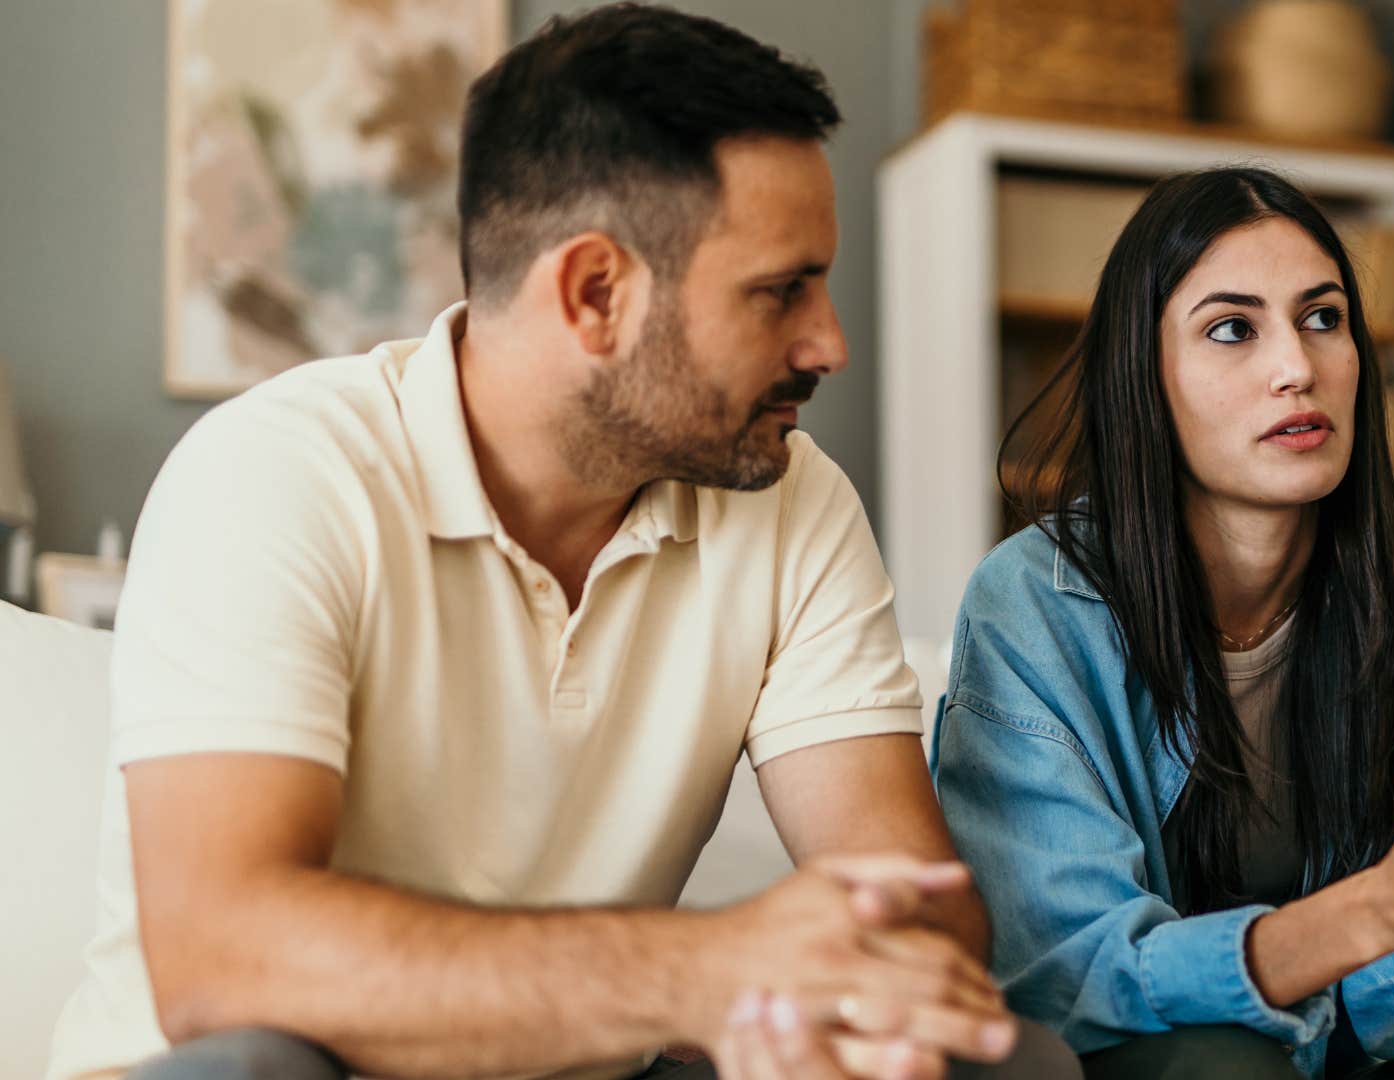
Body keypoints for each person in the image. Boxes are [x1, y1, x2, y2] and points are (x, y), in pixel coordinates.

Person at [45, 5, 1078, 1079]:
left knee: (1010, 1064)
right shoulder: (274, 474)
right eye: (781, 291)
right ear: (596, 294)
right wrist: (699, 971)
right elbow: (226, 959)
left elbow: (918, 917)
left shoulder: (791, 498)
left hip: (593, 1066)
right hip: (278, 1064)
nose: (830, 342)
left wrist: (821, 1011)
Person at [929, 166, 1394, 1079]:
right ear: (1144, 374)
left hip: (1372, 1050)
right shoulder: (1032, 603)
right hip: (1148, 1054)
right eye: (1231, 329)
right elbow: (1068, 971)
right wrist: (1372, 913)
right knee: (1223, 1066)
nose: (1296, 367)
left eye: (1323, 317)